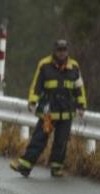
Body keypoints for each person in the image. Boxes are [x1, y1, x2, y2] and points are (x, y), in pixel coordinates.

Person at [11, 39, 88, 178]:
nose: (62, 53)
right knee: (39, 139)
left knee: (61, 141)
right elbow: (37, 85)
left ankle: (56, 168)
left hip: (66, 113)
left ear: (67, 51)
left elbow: (79, 88)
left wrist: (81, 105)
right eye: (59, 50)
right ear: (54, 51)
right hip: (48, 113)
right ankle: (25, 165)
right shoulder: (44, 65)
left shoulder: (74, 67)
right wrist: (32, 101)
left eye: (64, 50)